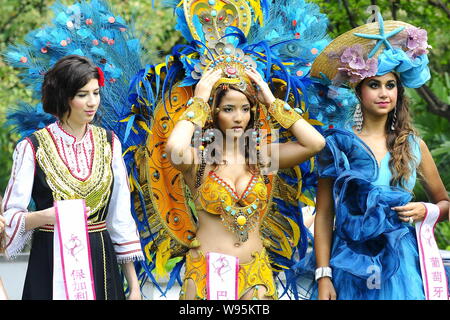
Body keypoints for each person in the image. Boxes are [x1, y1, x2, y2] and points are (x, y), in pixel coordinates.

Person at [309, 15, 450, 299]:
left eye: (390, 85)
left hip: (401, 265)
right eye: (374, 85)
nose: (384, 93)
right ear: (359, 92)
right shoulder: (338, 144)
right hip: (349, 261)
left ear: (399, 90)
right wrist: (323, 275)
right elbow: (324, 214)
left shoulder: (413, 145)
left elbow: (444, 202)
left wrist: (427, 210)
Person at [164, 56, 325, 300]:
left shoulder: (261, 159)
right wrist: (199, 100)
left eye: (245, 108)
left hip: (256, 276)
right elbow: (174, 147)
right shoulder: (197, 161)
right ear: (214, 112)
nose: (239, 117)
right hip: (205, 278)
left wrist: (271, 101)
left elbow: (315, 143)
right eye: (229, 109)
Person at [1, 55, 144, 300]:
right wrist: (47, 216)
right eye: (82, 95)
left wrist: (134, 286)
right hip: (50, 259)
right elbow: (10, 217)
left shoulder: (109, 144)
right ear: (63, 97)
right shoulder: (32, 147)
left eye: (96, 93)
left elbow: (119, 217)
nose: (92, 102)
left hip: (101, 262)